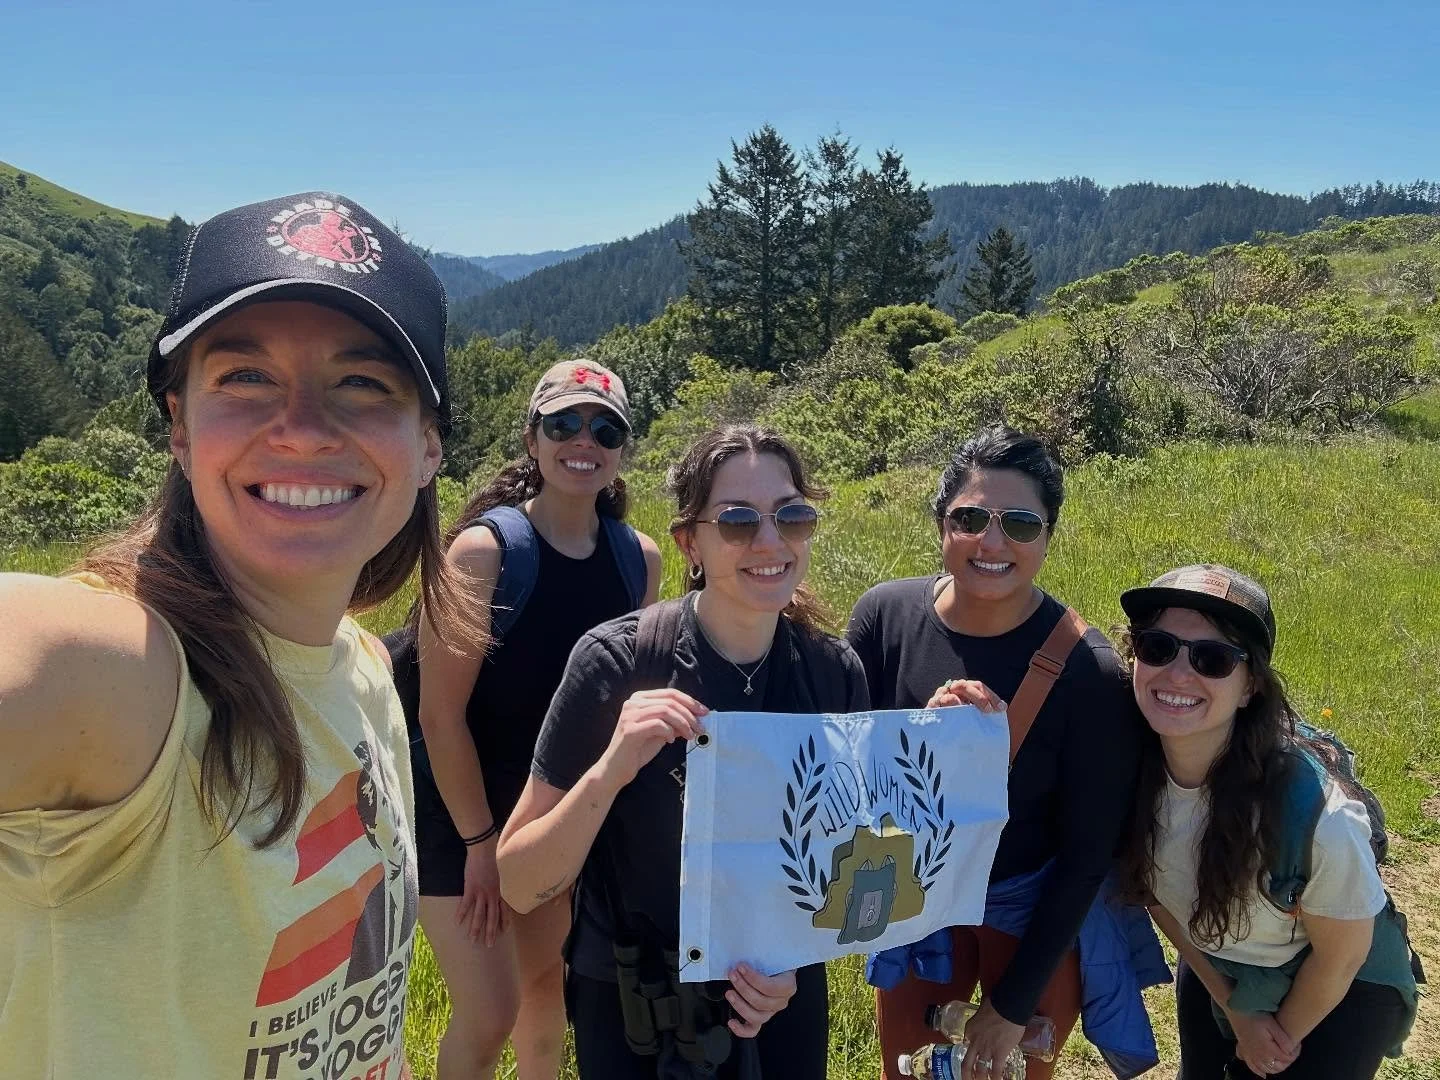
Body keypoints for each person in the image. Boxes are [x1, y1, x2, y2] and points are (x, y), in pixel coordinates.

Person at [0, 192, 482, 1078]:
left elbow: (359, 1016)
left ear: (428, 447)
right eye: (245, 377)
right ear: (179, 426)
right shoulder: (119, 674)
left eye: (363, 382)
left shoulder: (366, 672)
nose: (300, 428)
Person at [496, 424, 869, 1079]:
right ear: (689, 542)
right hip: (634, 998)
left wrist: (794, 960)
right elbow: (521, 883)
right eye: (736, 521)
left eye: (792, 515)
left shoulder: (831, 672)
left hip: (777, 992)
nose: (769, 541)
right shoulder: (617, 663)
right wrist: (611, 770)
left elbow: (849, 856)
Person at [847, 426, 1146, 1080]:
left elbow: (1088, 853)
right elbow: (846, 778)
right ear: (941, 523)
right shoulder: (883, 619)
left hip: (1032, 903)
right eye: (971, 518)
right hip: (916, 895)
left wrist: (1011, 1006)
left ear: (1048, 535)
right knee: (910, 1069)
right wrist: (918, 742)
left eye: (1019, 523)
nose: (991, 542)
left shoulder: (1087, 672)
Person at [400, 359, 661, 1079]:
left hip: (552, 809)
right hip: (461, 809)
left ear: (622, 450)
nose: (585, 440)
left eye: (605, 428)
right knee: (489, 1013)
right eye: (564, 423)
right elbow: (438, 716)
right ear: (532, 438)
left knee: (547, 987)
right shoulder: (484, 552)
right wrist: (482, 845)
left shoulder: (637, 561)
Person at [1117, 564, 1419, 1079]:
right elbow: (1153, 895)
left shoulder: (1319, 817)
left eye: (1212, 658)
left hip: (1341, 983)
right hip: (1221, 958)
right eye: (1158, 647)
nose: (1179, 675)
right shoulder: (1120, 769)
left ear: (1250, 685)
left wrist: (1270, 1040)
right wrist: (1235, 1006)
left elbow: (1341, 957)